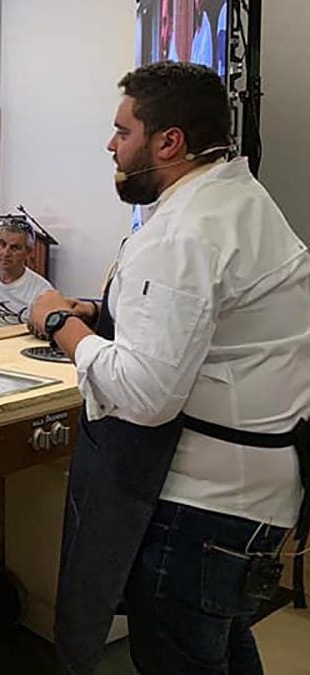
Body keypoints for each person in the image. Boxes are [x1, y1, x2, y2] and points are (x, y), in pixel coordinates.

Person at [24, 62, 310, 675]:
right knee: (225, 646)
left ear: (169, 141)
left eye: (122, 131)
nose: (111, 146)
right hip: (254, 498)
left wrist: (59, 324)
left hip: (200, 508)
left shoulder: (184, 231)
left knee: (182, 657)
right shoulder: (239, 199)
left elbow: (147, 392)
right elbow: (212, 318)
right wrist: (102, 311)